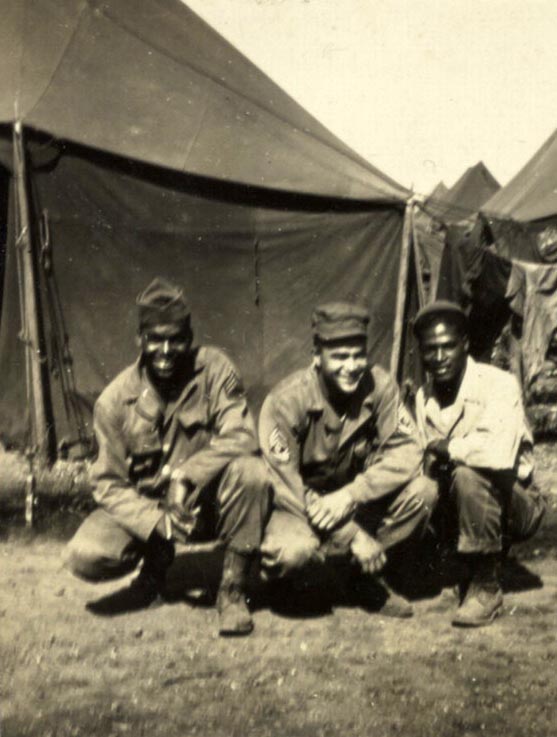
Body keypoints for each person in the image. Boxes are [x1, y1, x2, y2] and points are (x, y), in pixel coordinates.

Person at [65, 277, 269, 636]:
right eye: (155, 339)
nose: (165, 349)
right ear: (139, 340)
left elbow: (243, 435)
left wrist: (185, 476)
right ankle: (155, 568)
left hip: (206, 505)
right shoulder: (114, 402)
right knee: (87, 554)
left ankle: (233, 589)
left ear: (188, 339)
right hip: (150, 513)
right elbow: (107, 484)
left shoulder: (215, 370)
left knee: (251, 472)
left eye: (175, 338)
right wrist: (156, 522)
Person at [258, 301, 436, 617]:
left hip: (352, 501)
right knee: (293, 553)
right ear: (317, 356)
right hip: (298, 506)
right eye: (340, 357)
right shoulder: (286, 400)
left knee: (423, 492)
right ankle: (282, 584)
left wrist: (351, 495)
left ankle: (361, 578)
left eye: (358, 355)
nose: (351, 366)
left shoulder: (378, 385)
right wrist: (351, 534)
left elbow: (408, 450)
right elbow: (285, 485)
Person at [414, 300, 546, 627]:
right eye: (431, 349)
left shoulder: (497, 383)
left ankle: (486, 586)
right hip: (462, 501)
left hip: (516, 502)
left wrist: (444, 447)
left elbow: (497, 454)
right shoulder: (423, 397)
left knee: (469, 472)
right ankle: (453, 564)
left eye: (448, 346)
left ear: (466, 345)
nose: (440, 357)